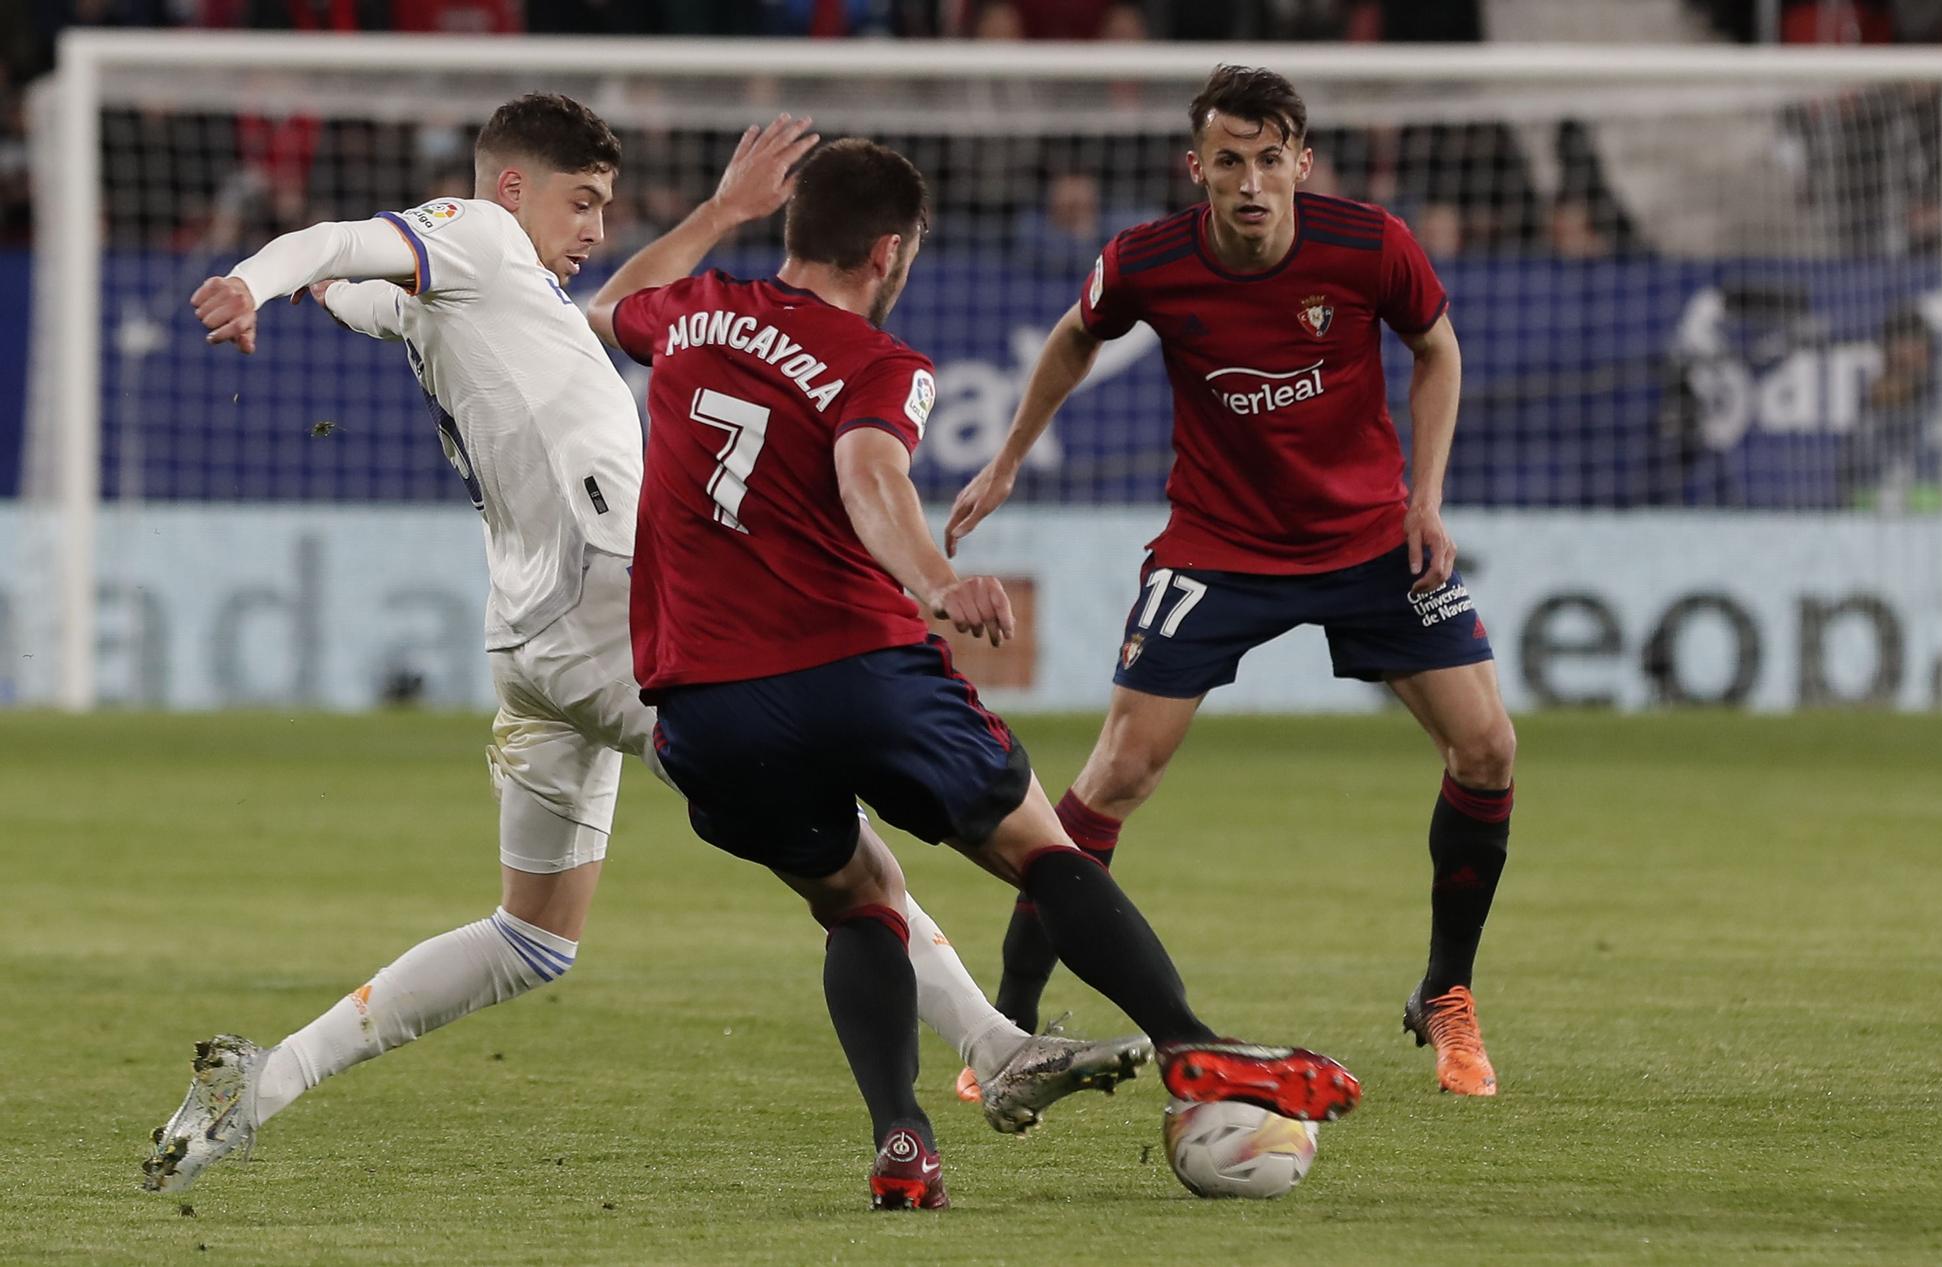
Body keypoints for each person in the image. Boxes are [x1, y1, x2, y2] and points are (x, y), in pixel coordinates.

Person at [143, 96, 1142, 1196]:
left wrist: (716, 212)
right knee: (826, 819)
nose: (595, 228)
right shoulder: (476, 236)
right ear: (508, 189)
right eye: (582, 201)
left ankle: (266, 1076)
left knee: (533, 940)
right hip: (612, 611)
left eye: (608, 205)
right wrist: (256, 278)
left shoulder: (477, 294)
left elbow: (360, 282)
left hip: (531, 645)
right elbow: (339, 245)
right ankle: (997, 1049)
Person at [593, 136, 1361, 1211]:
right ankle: (1190, 1041)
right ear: (891, 252)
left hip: (705, 703)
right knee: (1037, 846)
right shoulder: (881, 364)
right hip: (857, 667)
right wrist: (934, 577)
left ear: (790, 231)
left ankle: (901, 1141)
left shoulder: (691, 310)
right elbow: (867, 472)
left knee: (856, 901)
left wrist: (719, 210)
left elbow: (602, 304)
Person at [947, 65, 1518, 1098]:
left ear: (1299, 162)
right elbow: (1075, 336)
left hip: (1368, 542)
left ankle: (1445, 993)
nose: (1249, 183)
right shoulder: (1147, 262)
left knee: (1485, 748)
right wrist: (1008, 458)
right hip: (1217, 546)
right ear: (1195, 167)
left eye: (1268, 160)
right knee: (1113, 776)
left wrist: (1424, 498)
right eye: (1228, 162)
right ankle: (1011, 1020)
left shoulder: (1367, 243)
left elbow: (1435, 349)